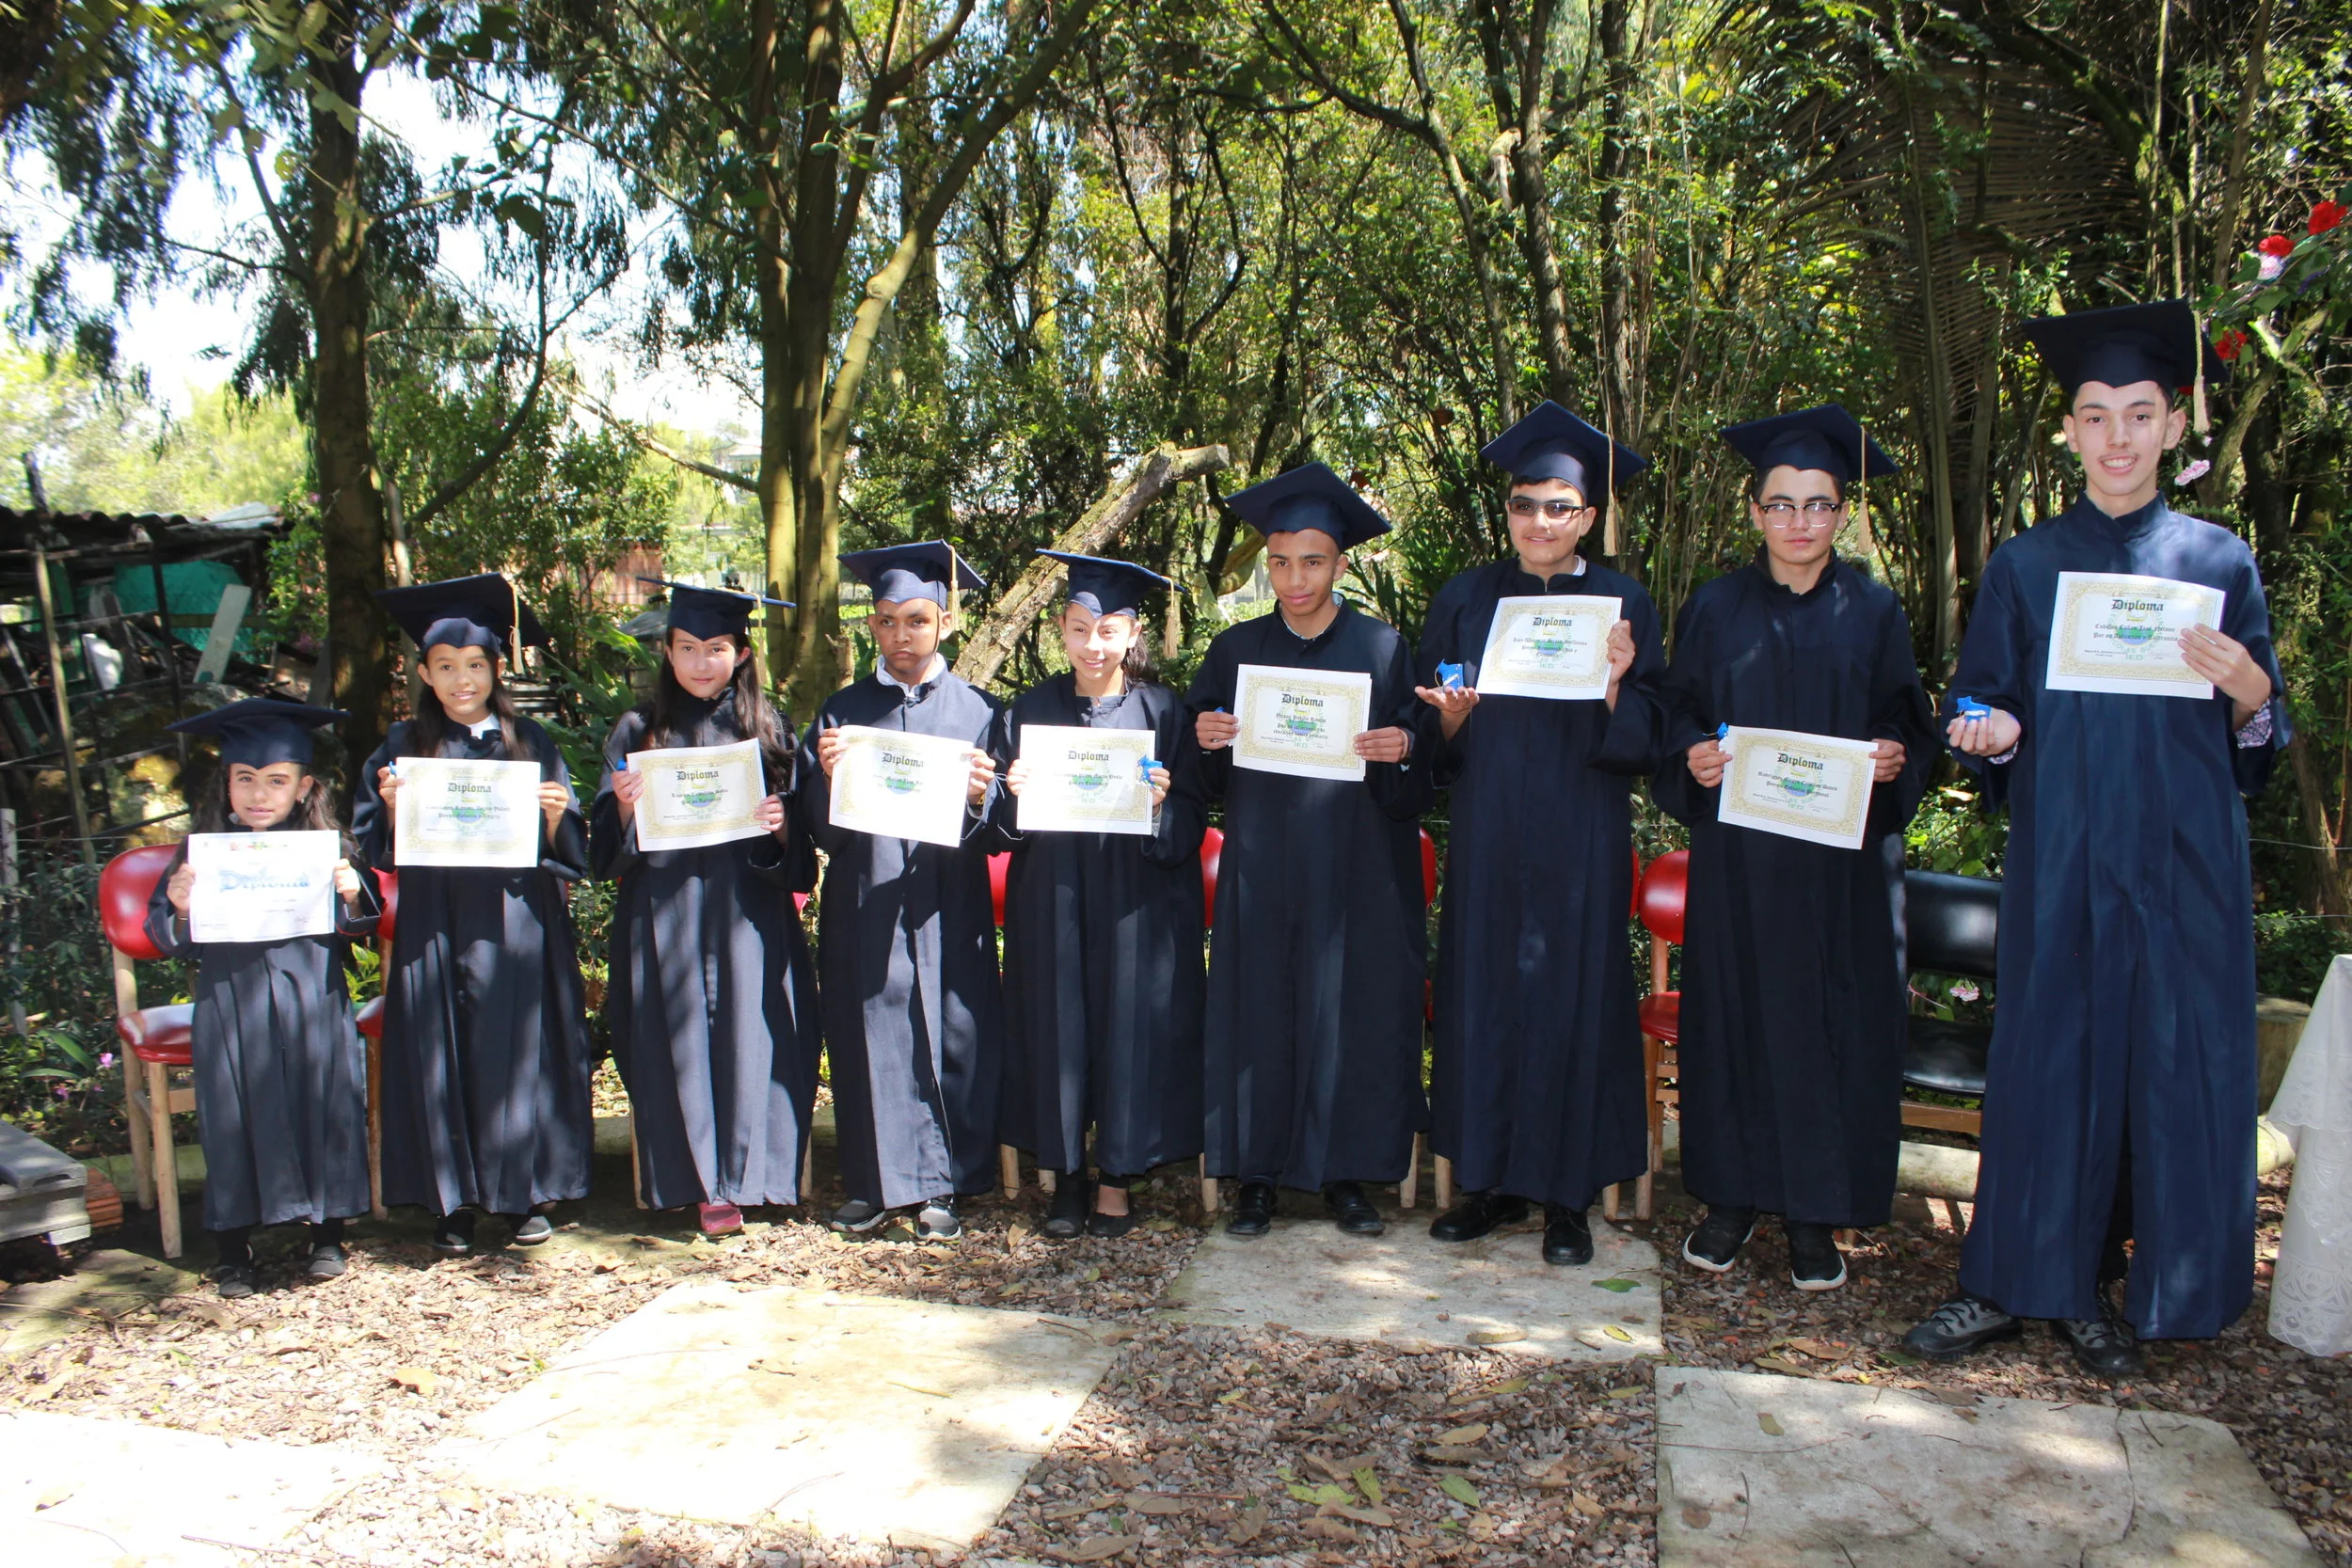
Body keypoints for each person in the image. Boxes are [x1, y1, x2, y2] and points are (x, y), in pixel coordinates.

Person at [1905, 301, 2289, 1378]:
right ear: (2068, 433)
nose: (2115, 436)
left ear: (2172, 426)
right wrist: (1989, 729)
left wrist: (2251, 689)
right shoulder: (2028, 566)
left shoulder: (2218, 560)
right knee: (2050, 1060)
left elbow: (2257, 735)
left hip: (2186, 864)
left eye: (2137, 414)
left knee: (2171, 1068)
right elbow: (1975, 706)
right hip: (2066, 854)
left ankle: (2133, 1287)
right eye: (2093, 415)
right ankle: (2014, 1280)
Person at [1652, 404, 1934, 1291]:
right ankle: (1733, 1198)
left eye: (1818, 504)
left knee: (1832, 1027)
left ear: (1843, 511)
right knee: (1736, 1019)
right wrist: (1691, 754)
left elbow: (1905, 722)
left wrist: (1893, 758)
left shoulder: (1877, 609)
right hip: (1741, 864)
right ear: (1755, 510)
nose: (1799, 521)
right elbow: (1679, 715)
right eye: (1781, 504)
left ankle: (1818, 1215)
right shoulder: (1715, 606)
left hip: (1841, 870)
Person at [1415, 403, 1664, 1265]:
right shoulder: (1466, 596)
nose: (1540, 521)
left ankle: (1566, 1197)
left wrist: (1618, 686)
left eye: (1559, 506)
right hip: (1488, 830)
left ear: (1588, 515)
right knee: (1483, 995)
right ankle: (1487, 1184)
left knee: (1574, 998)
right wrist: (1447, 720)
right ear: (1509, 512)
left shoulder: (1623, 601)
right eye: (1525, 504)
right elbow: (1434, 734)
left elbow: (1650, 727)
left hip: (1579, 832)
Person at [1188, 462, 1432, 1238]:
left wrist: (1404, 745)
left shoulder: (1384, 647)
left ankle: (1346, 1175)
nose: (1295, 578)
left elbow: (1418, 765)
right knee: (1259, 1011)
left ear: (1342, 563)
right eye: (1281, 561)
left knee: (1348, 1014)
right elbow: (1199, 768)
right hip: (1262, 862)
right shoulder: (1234, 650)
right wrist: (1205, 739)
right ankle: (1256, 1175)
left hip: (1355, 869)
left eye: (1313, 561)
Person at [354, 575, 593, 1258]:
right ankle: (451, 1200)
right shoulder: (401, 746)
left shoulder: (530, 740)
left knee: (518, 1050)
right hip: (435, 922)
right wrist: (395, 808)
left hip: (518, 920)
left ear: (496, 668)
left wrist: (555, 818)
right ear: (425, 672)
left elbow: (571, 849)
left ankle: (524, 1193)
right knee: (441, 1050)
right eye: (448, 667)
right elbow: (375, 846)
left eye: (477, 665)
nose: (464, 679)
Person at [590, 581, 818, 1238]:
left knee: (756, 1034)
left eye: (715, 648)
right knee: (675, 1042)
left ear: (742, 653)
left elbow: (800, 852)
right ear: (666, 650)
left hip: (747, 910)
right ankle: (697, 1182)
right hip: (663, 911)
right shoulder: (638, 730)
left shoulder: (766, 727)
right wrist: (627, 806)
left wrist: (781, 826)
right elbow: (603, 852)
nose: (699, 662)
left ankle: (755, 1176)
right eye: (686, 648)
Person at [800, 541, 1008, 1242]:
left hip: (950, 902)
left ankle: (945, 1183)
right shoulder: (843, 713)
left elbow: (1007, 829)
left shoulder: (980, 711)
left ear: (945, 621)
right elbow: (819, 833)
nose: (899, 635)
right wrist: (825, 781)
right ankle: (872, 1183)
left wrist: (985, 795)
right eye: (884, 620)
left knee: (952, 1031)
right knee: (870, 1034)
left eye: (915, 619)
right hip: (868, 898)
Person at [999, 551, 1206, 1238]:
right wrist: (1012, 794)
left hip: (1135, 902)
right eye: (1079, 628)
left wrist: (1162, 805)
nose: (1093, 644)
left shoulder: (1164, 710)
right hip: (1052, 893)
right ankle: (1066, 1178)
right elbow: (1000, 827)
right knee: (1056, 1027)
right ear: (1061, 630)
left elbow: (1193, 814)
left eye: (1108, 629)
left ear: (1131, 633)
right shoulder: (1030, 709)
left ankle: (1116, 1177)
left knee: (1129, 1031)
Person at [148, 699, 381, 1298]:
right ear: (226, 784)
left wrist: (353, 895)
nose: (259, 794)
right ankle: (232, 1246)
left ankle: (327, 1233)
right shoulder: (203, 851)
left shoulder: (326, 847)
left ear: (303, 787)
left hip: (311, 996)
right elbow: (170, 939)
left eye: (276, 781)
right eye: (244, 779)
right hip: (232, 998)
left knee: (321, 1097)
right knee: (233, 1113)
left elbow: (360, 926)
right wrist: (178, 906)